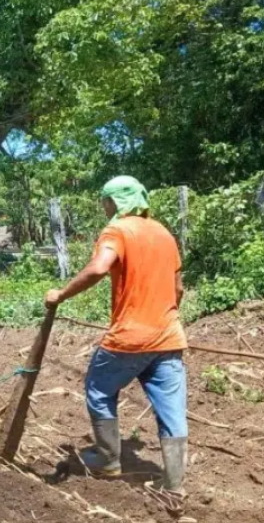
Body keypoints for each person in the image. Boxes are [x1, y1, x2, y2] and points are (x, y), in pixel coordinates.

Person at [45, 175, 188, 495]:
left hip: (130, 337)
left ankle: (108, 459)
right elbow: (178, 288)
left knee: (98, 388)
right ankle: (175, 483)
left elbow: (98, 268)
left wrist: (61, 294)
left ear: (116, 202)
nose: (104, 208)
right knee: (171, 410)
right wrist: (163, 316)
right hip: (169, 337)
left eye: (106, 202)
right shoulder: (165, 234)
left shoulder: (118, 230)